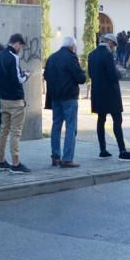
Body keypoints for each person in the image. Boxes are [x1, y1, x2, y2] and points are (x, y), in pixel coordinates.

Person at [87, 33, 130, 160]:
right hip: (111, 94)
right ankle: (122, 150)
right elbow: (113, 75)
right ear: (109, 42)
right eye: (114, 44)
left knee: (101, 120)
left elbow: (90, 74)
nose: (114, 47)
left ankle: (102, 149)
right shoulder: (107, 55)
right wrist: (119, 73)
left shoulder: (91, 55)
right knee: (117, 121)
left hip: (97, 93)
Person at [44, 36, 87, 168]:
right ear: (72, 46)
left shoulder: (52, 57)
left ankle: (55, 156)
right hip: (69, 97)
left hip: (55, 98)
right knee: (70, 127)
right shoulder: (71, 57)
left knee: (56, 126)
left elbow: (45, 76)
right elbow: (81, 78)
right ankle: (67, 159)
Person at [0, 33, 31, 174]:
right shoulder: (13, 57)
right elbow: (18, 79)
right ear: (17, 43)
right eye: (21, 45)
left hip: (3, 98)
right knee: (15, 132)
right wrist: (26, 75)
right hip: (16, 100)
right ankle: (16, 164)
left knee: (3, 131)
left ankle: (1, 161)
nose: (20, 48)